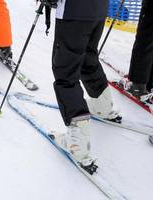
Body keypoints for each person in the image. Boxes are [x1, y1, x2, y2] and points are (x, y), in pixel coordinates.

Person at [50, 0, 121, 171]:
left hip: (73, 10)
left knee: (66, 71)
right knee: (88, 57)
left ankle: (77, 143)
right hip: (98, 9)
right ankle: (103, 105)